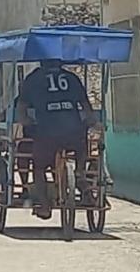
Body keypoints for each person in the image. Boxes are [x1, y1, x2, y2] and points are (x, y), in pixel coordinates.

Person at [15, 60, 101, 219]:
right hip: (73, 132)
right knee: (82, 144)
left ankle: (45, 206)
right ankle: (80, 173)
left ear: (41, 62)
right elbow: (85, 106)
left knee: (39, 168)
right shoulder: (71, 78)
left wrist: (25, 121)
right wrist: (91, 121)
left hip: (47, 131)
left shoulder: (33, 78)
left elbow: (21, 107)